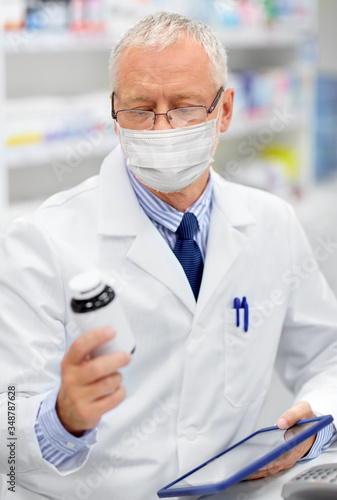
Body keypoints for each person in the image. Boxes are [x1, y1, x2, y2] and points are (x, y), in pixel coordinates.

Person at [0, 11, 337, 500]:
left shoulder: (271, 223)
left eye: (183, 107)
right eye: (140, 108)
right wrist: (61, 419)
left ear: (224, 111)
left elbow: (328, 354)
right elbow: (7, 439)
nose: (161, 128)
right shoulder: (39, 241)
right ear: (114, 112)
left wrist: (314, 425)